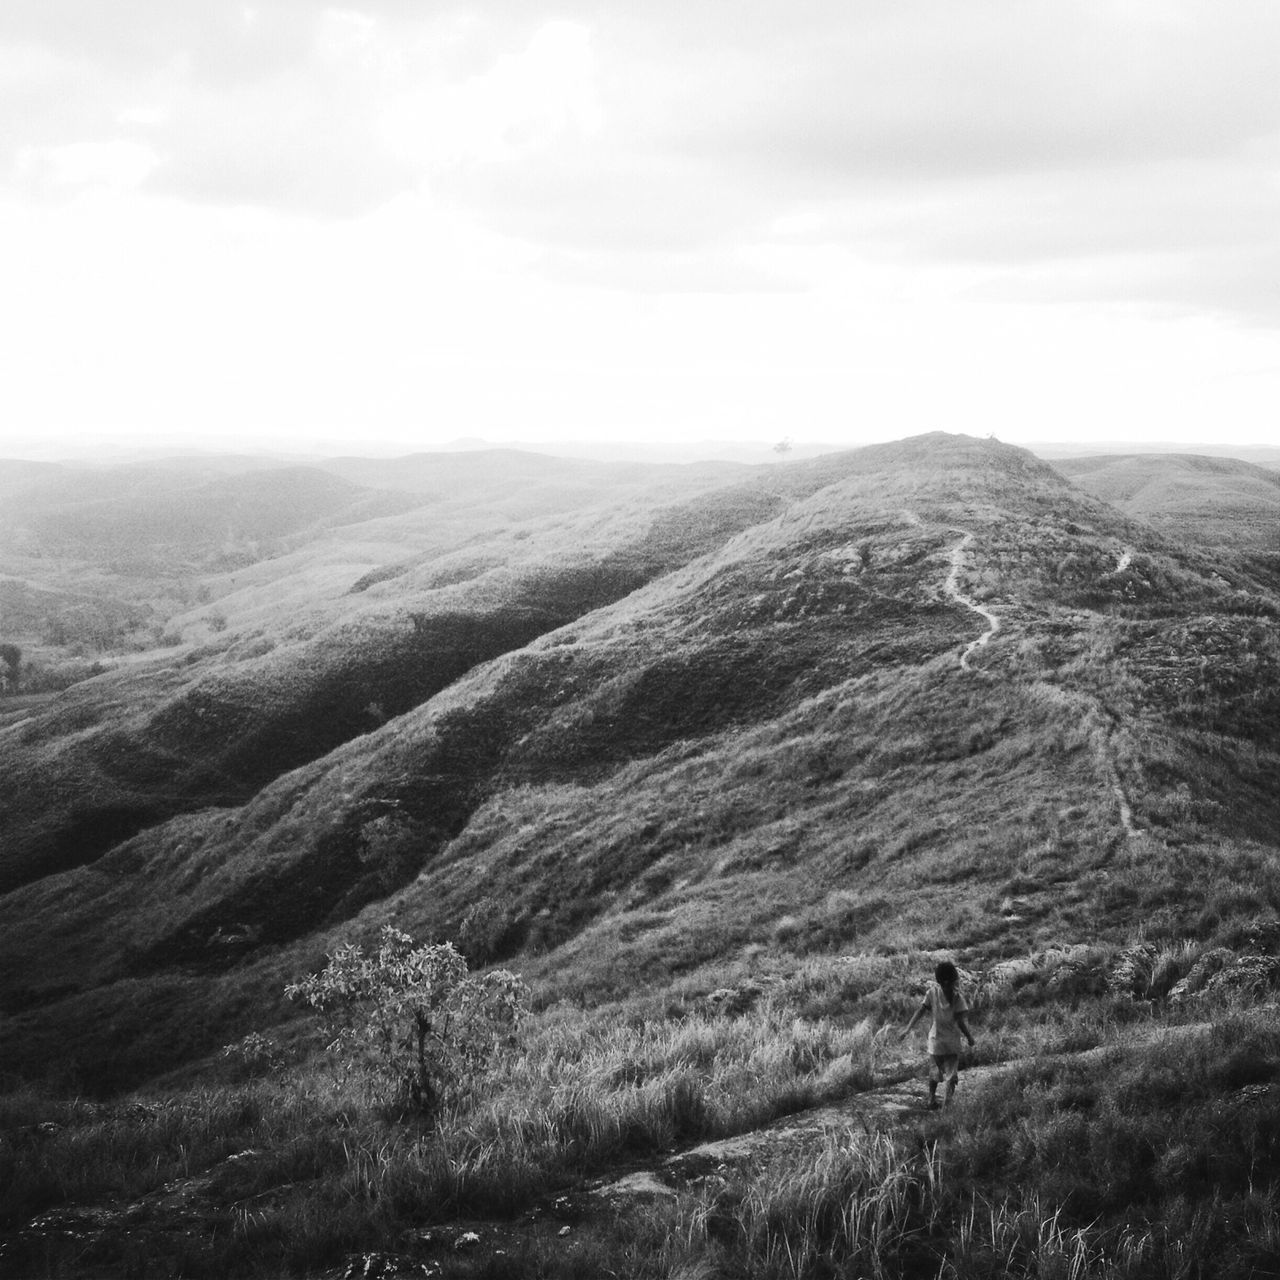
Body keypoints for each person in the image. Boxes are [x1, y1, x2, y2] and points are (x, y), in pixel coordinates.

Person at [901, 960, 975, 1109]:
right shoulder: (958, 998)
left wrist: (908, 1029)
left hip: (935, 1042)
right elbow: (960, 1022)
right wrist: (969, 1037)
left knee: (934, 1072)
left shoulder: (932, 993)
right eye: (956, 980)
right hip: (951, 1044)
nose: (958, 982)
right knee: (951, 1076)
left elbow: (920, 1011)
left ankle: (931, 1099)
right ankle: (946, 1105)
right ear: (948, 983)